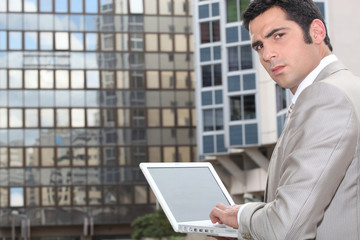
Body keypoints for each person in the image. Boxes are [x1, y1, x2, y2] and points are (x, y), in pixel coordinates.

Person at [209, 0, 360, 239]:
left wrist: (241, 216)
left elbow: (287, 228)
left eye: (278, 35)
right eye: (259, 46)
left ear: (317, 32)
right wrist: (246, 231)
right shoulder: (349, 87)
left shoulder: (326, 97)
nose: (268, 54)